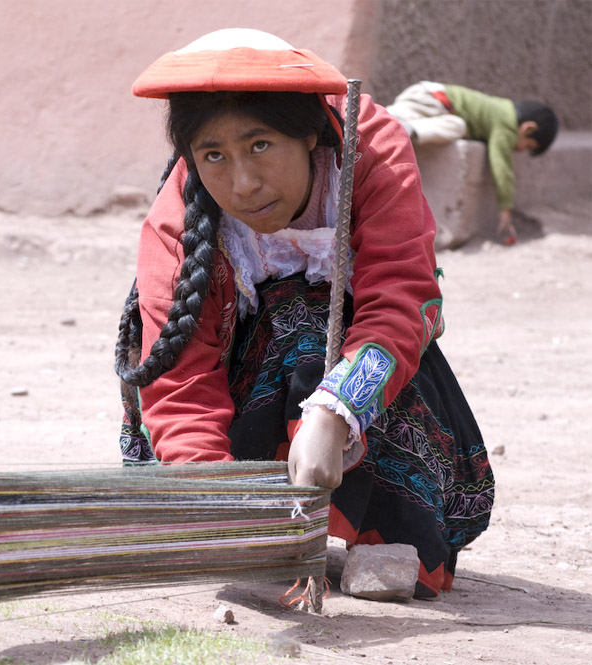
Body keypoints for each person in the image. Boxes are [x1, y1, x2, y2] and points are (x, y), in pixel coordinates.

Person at [115, 28, 495, 598]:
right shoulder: (179, 221)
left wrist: (335, 412)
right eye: (213, 155)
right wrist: (218, 498)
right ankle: (269, 522)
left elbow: (399, 299)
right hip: (237, 402)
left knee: (313, 317)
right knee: (283, 319)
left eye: (260, 145)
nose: (241, 183)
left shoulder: (369, 149)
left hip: (359, 387)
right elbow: (180, 381)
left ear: (311, 132)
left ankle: (384, 537)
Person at [385, 82, 559, 245]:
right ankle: (404, 129)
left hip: (424, 95)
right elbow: (502, 168)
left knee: (390, 120)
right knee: (458, 125)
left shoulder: (500, 112)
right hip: (431, 101)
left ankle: (398, 126)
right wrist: (505, 211)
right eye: (527, 145)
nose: (520, 150)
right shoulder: (506, 125)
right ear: (528, 128)